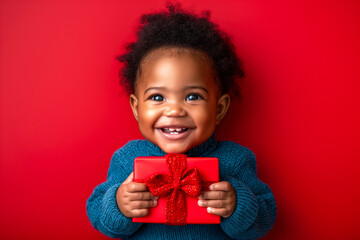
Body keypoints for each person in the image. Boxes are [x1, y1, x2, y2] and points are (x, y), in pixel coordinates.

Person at [87, 3, 276, 239]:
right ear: (136, 108)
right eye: (157, 97)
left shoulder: (236, 160)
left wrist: (237, 204)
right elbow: (96, 212)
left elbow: (266, 217)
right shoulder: (127, 159)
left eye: (192, 97)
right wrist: (118, 205)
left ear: (219, 108)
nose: (174, 110)